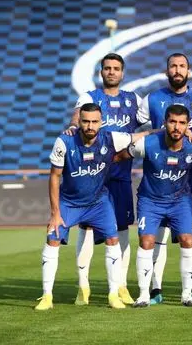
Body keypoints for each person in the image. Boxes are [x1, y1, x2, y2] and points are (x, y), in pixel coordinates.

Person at [35, 103, 151, 310]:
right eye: (86, 121)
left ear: (101, 122)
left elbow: (141, 136)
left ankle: (113, 295)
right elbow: (54, 176)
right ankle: (47, 296)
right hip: (69, 203)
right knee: (52, 237)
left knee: (113, 240)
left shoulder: (111, 138)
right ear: (78, 121)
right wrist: (55, 213)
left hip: (98, 202)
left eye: (94, 121)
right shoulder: (64, 142)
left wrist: (168, 130)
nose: (90, 126)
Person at [137, 53, 192, 305]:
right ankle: (155, 289)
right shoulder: (152, 99)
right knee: (157, 234)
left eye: (182, 66)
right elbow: (137, 127)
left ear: (188, 71)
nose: (177, 70)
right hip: (159, 176)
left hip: (190, 176)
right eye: (173, 66)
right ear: (167, 71)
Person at [64, 52, 140, 306]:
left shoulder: (133, 100)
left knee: (122, 230)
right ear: (101, 72)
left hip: (120, 176)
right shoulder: (90, 97)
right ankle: (83, 286)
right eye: (107, 68)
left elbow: (153, 123)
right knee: (85, 229)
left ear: (122, 72)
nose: (111, 72)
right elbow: (77, 118)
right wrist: (73, 127)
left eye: (116, 68)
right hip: (92, 177)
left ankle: (121, 286)